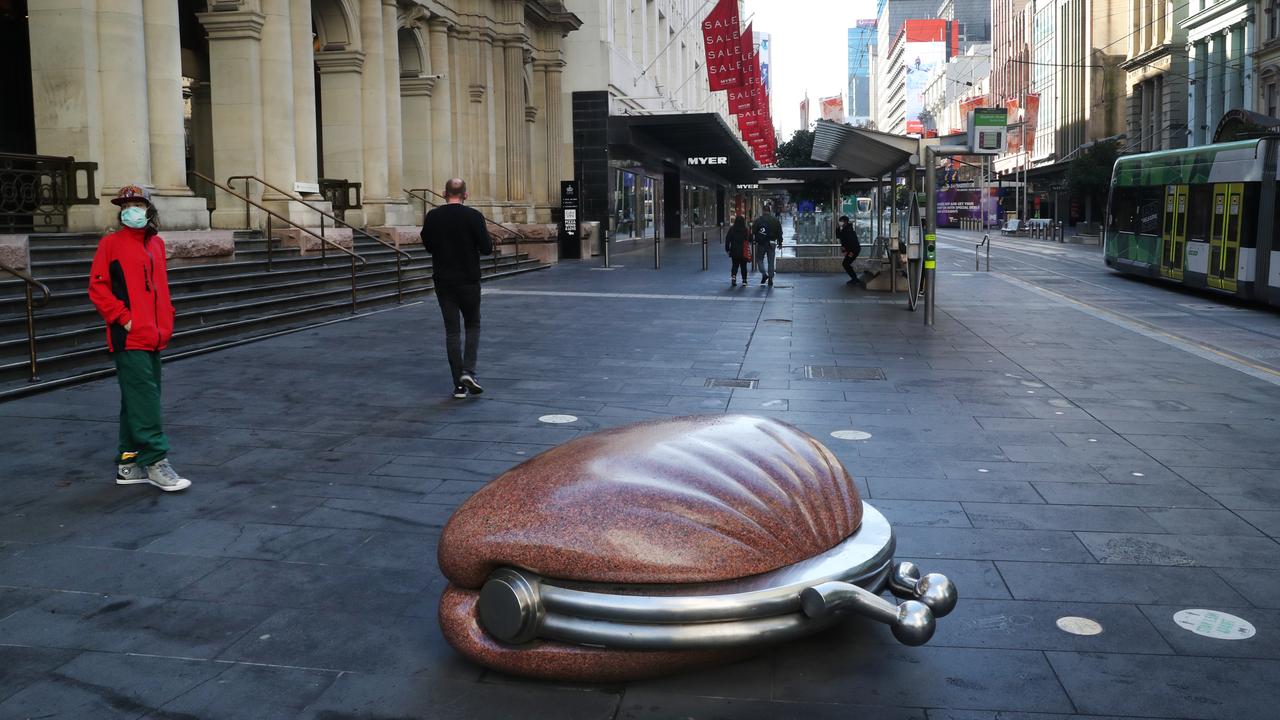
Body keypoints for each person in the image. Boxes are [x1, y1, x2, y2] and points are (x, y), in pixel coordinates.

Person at [88, 185, 190, 492]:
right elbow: (97, 287)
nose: (131, 208)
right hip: (130, 336)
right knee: (145, 400)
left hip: (154, 335)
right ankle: (156, 461)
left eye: (137, 202)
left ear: (148, 208)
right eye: (126, 203)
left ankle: (129, 463)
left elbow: (160, 287)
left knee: (136, 400)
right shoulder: (111, 244)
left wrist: (166, 320)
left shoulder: (155, 244)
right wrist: (125, 318)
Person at [422, 178, 493, 399]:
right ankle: (468, 371)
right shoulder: (473, 216)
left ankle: (458, 386)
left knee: (452, 331)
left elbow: (428, 245)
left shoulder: (433, 216)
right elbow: (487, 248)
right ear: (466, 194)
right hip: (469, 280)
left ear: (444, 194)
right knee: (473, 325)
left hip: (444, 280)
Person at [751, 203, 783, 286]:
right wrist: (780, 242)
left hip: (761, 243)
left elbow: (753, 231)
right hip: (772, 243)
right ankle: (771, 278)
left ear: (763, 211)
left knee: (759, 259)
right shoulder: (775, 220)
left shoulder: (759, 220)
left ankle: (764, 274)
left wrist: (753, 239)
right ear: (769, 211)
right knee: (771, 261)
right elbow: (779, 232)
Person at [724, 215, 750, 287]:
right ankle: (744, 280)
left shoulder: (732, 229)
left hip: (734, 250)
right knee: (743, 266)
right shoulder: (745, 229)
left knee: (735, 265)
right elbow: (749, 239)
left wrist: (727, 249)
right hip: (743, 250)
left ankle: (733, 278)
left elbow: (727, 239)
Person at [837, 215, 862, 285]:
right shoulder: (846, 228)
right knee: (846, 263)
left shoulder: (847, 230)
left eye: (841, 221)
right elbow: (839, 236)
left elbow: (849, 241)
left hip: (853, 251)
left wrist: (846, 250)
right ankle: (854, 278)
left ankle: (855, 279)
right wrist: (838, 228)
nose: (840, 223)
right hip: (852, 250)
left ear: (845, 222)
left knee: (846, 263)